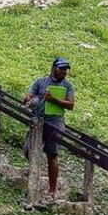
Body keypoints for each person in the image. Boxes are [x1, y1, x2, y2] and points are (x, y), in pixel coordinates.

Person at [24, 57, 75, 204]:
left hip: (55, 121)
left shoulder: (68, 86)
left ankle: (52, 190)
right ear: (54, 68)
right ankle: (36, 173)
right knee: (28, 148)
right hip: (38, 119)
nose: (64, 72)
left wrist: (54, 99)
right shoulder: (40, 82)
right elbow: (31, 94)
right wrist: (27, 98)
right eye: (61, 69)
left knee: (52, 154)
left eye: (66, 70)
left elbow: (71, 104)